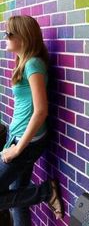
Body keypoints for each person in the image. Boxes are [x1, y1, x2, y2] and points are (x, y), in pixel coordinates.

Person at [0, 15, 64, 226]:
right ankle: (43, 192)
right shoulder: (24, 63)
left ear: (23, 37)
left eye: (9, 33)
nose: (5, 37)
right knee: (16, 199)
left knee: (13, 195)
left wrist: (18, 149)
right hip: (18, 137)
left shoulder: (33, 64)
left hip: (26, 142)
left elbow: (40, 111)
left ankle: (45, 191)